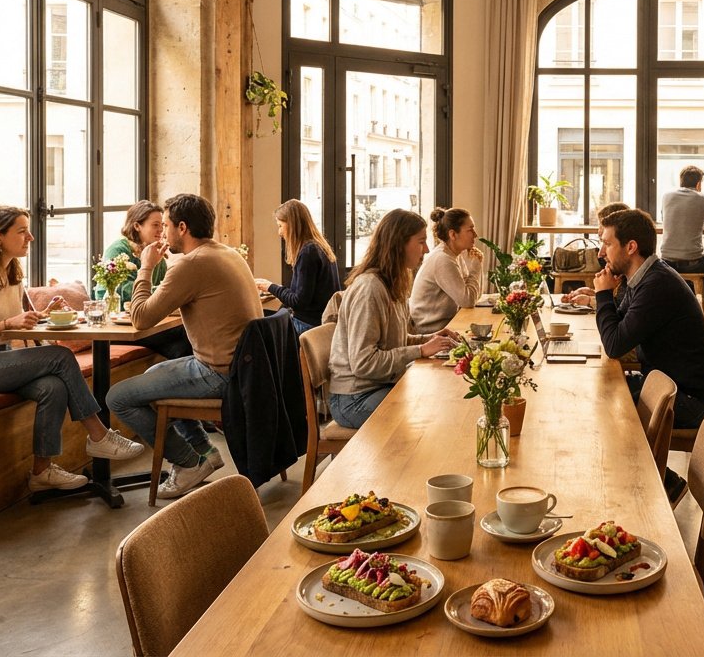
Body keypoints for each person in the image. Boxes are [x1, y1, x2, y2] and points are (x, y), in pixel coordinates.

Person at [0, 205, 143, 492]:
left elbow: (18, 322)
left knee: (52, 387)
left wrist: (44, 314)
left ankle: (41, 472)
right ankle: (99, 435)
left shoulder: (10, 272)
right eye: (21, 231)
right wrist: (7, 324)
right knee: (60, 355)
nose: (30, 237)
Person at [106, 194, 262, 499]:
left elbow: (140, 318)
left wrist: (146, 267)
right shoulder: (227, 253)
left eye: (165, 225)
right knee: (156, 371)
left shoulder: (191, 264)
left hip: (218, 373)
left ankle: (188, 463)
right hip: (244, 368)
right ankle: (205, 451)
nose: (163, 233)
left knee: (118, 397)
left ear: (182, 227)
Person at [593, 208, 704, 504]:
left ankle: (659, 485)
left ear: (631, 247)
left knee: (606, 408)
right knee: (602, 395)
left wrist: (602, 297)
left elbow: (615, 343)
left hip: (690, 402)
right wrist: (603, 296)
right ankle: (654, 482)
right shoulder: (645, 278)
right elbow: (623, 321)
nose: (601, 252)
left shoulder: (656, 286)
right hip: (669, 385)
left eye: (608, 243)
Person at [328, 209, 459, 428]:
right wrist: (420, 351)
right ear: (399, 244)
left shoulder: (390, 282)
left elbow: (391, 340)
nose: (426, 249)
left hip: (376, 386)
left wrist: (428, 339)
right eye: (420, 242)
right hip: (353, 398)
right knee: (429, 413)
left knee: (438, 400)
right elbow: (364, 363)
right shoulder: (370, 289)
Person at [97, 200, 193, 360]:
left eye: (163, 225)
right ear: (137, 226)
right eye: (155, 225)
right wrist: (168, 292)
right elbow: (126, 293)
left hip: (143, 323)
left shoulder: (157, 253)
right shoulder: (119, 250)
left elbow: (162, 291)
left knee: (187, 335)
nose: (161, 230)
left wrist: (168, 293)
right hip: (117, 325)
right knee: (184, 337)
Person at [254, 199, 341, 336]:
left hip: (308, 325)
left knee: (256, 329)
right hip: (322, 323)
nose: (279, 232)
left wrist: (270, 287)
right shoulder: (320, 247)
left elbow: (298, 302)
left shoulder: (308, 252)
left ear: (292, 225)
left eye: (281, 226)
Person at [659, 165, 704, 327]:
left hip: (667, 262)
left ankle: (686, 299)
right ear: (699, 184)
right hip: (693, 261)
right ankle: (701, 300)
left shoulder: (667, 196)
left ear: (681, 181)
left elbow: (665, 218)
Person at [409, 207, 483, 332]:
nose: (475, 235)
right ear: (453, 234)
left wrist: (477, 266)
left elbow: (474, 297)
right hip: (431, 332)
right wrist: (475, 268)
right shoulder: (443, 259)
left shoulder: (454, 255)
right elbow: (468, 301)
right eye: (470, 230)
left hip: (449, 325)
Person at [561, 201, 630, 308]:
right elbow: (620, 302)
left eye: (607, 242)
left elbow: (623, 311)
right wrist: (594, 293)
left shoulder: (635, 277)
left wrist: (591, 301)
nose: (600, 254)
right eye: (600, 240)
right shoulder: (622, 271)